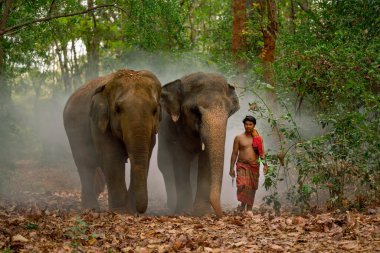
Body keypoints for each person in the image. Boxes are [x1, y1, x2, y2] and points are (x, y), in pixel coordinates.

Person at [230, 115, 268, 215]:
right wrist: (231, 168)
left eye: (250, 124)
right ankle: (243, 206)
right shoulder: (238, 138)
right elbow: (234, 153)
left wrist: (265, 165)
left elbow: (261, 152)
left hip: (254, 165)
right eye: (246, 124)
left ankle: (248, 209)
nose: (248, 126)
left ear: (254, 125)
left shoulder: (258, 138)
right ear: (244, 125)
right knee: (243, 184)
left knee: (251, 187)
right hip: (242, 165)